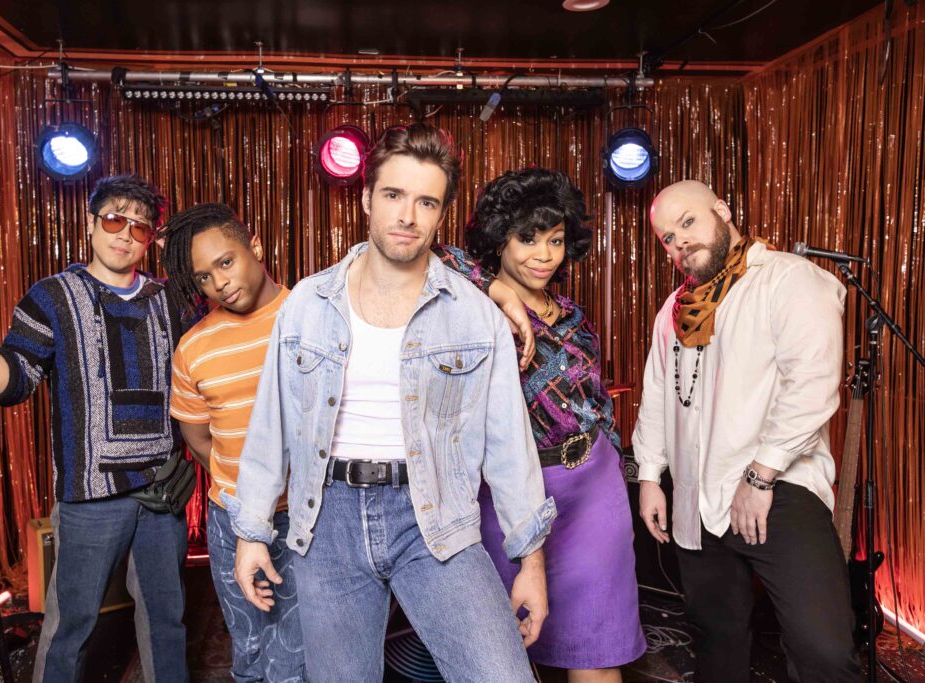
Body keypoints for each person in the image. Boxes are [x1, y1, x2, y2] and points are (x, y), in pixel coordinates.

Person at [225, 123, 556, 683]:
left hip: (436, 520)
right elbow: (271, 427)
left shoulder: (474, 314)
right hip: (325, 521)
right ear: (366, 199)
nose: (408, 215)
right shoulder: (308, 303)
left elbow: (509, 445)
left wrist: (532, 561)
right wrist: (251, 532)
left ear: (441, 213)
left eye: (426, 201)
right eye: (394, 195)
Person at [0, 175, 189, 682]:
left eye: (139, 228)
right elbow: (13, 380)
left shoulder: (170, 300)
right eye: (115, 220)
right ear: (91, 224)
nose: (124, 234)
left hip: (164, 491)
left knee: (168, 622)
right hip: (92, 496)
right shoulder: (52, 296)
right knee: (71, 624)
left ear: (149, 239)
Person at [632, 179, 861, 682]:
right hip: (698, 494)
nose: (680, 242)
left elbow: (813, 384)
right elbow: (656, 396)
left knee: (823, 649)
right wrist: (651, 475)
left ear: (723, 210)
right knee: (716, 640)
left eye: (688, 222)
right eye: (668, 238)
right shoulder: (674, 310)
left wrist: (760, 478)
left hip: (778, 489)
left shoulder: (789, 279)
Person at [436, 167, 646, 682]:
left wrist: (618, 460)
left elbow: (596, 399)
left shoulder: (573, 316)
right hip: (510, 496)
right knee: (501, 655)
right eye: (527, 237)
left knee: (597, 650)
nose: (544, 254)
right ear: (498, 238)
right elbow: (423, 253)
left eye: (555, 240)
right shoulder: (473, 309)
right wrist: (495, 290)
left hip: (593, 488)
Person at [160, 203, 305, 682]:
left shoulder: (310, 315)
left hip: (309, 517)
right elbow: (198, 437)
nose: (219, 283)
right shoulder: (194, 347)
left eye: (226, 262)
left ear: (255, 247)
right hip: (234, 519)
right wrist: (245, 488)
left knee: (300, 655)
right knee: (250, 649)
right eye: (203, 277)